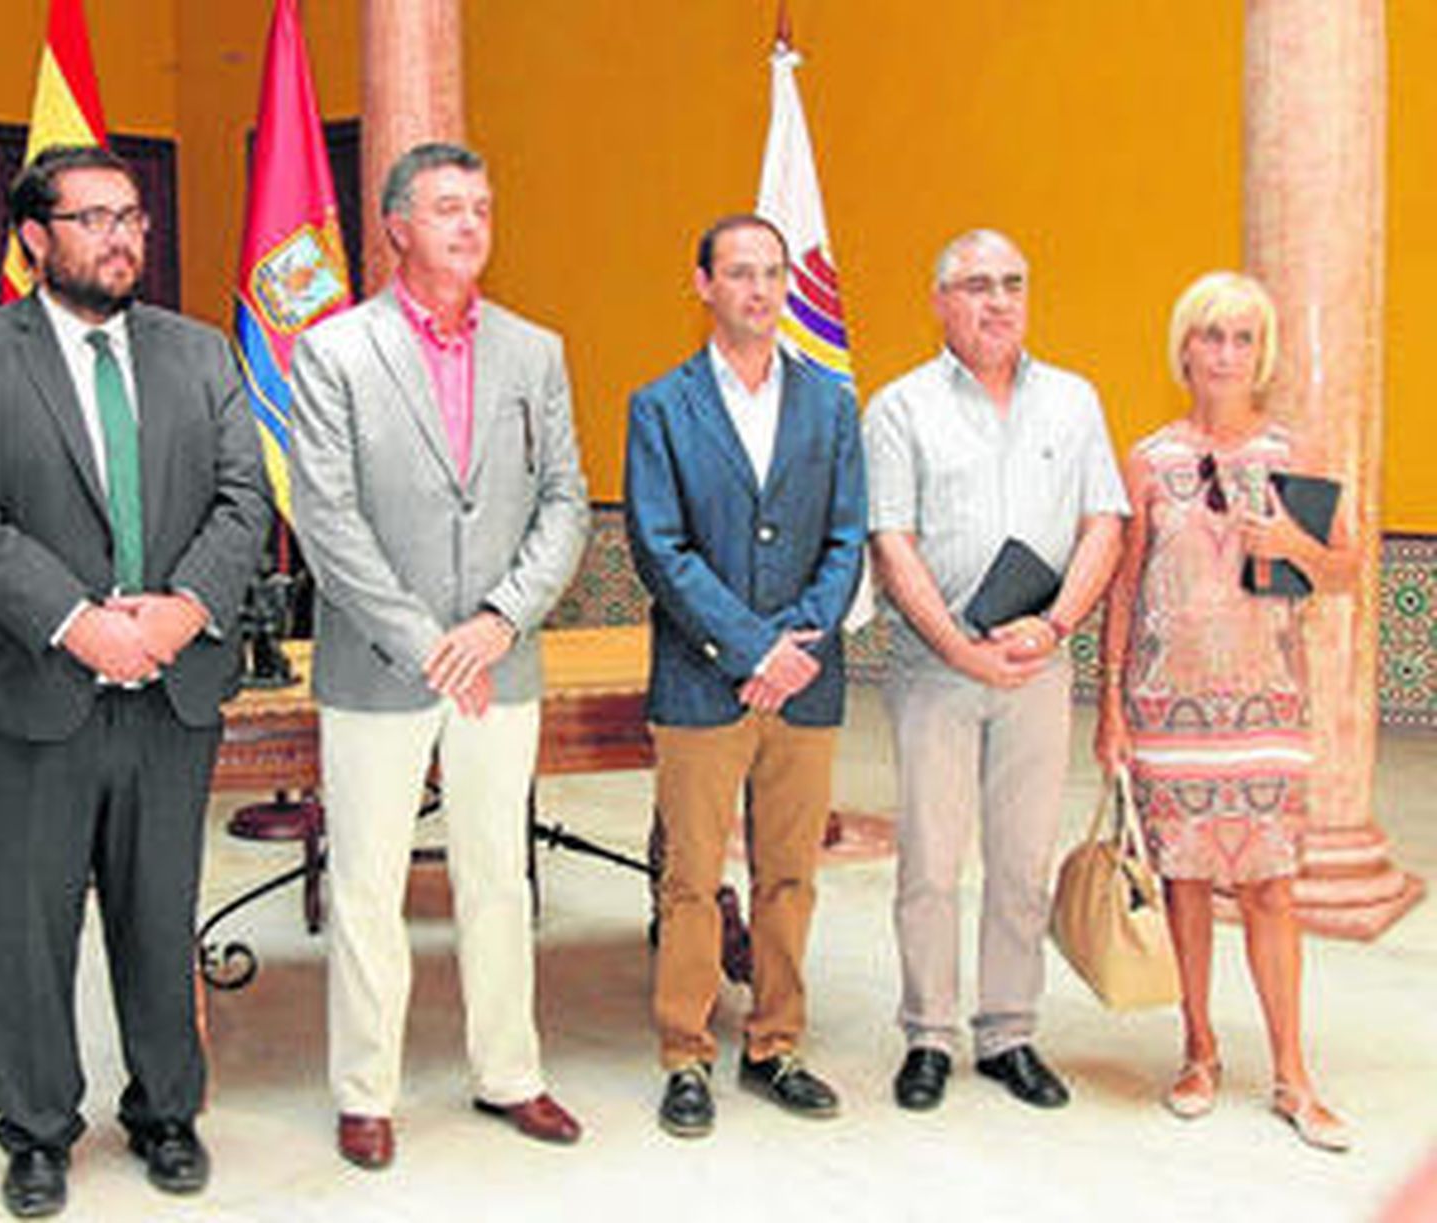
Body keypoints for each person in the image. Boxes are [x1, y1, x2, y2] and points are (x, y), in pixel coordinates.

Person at [0, 144, 273, 1217]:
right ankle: (34, 1129)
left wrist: (178, 611)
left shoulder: (199, 353)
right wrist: (78, 623)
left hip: (170, 690)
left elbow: (244, 499)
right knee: (29, 925)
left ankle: (166, 1111)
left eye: (134, 217)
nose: (123, 236)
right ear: (33, 236)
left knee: (161, 913)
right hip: (28, 695)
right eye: (94, 217)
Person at [288, 142, 590, 1170]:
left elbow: (563, 501)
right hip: (382, 663)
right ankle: (364, 1087)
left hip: (499, 661)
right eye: (448, 207)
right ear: (397, 226)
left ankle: (510, 1071)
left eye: (483, 207)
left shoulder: (534, 350)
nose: (470, 224)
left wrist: (501, 619)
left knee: (497, 873)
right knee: (367, 880)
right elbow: (324, 515)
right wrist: (428, 642)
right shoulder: (334, 351)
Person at [865, 228, 1126, 1113]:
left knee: (1022, 863)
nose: (998, 300)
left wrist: (1054, 627)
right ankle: (928, 1034)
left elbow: (1104, 524)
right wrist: (957, 645)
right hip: (935, 667)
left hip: (1036, 667)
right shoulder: (899, 408)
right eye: (976, 285)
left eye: (1012, 282)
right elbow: (892, 542)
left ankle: (1009, 1030)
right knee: (931, 862)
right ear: (940, 301)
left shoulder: (1074, 400)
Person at [1095, 270, 1355, 1151]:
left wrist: (1292, 544)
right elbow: (1123, 589)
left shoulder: (1295, 454)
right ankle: (1199, 1050)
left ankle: (1293, 1073)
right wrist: (1112, 711)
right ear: (1185, 349)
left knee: (1274, 887)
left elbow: (1348, 570)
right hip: (1168, 708)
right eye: (1212, 336)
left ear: (1263, 354)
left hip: (1268, 705)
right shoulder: (1148, 459)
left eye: (1244, 339)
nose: (1227, 354)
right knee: (1186, 884)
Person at [625, 214, 866, 1138]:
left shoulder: (831, 403)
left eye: (772, 274)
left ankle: (776, 1042)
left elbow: (847, 536)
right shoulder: (662, 405)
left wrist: (795, 644)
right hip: (702, 680)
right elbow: (660, 544)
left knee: (789, 873)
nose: (759, 291)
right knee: (691, 878)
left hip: (807, 679)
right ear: (703, 285)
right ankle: (685, 1051)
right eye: (739, 273)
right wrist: (750, 647)